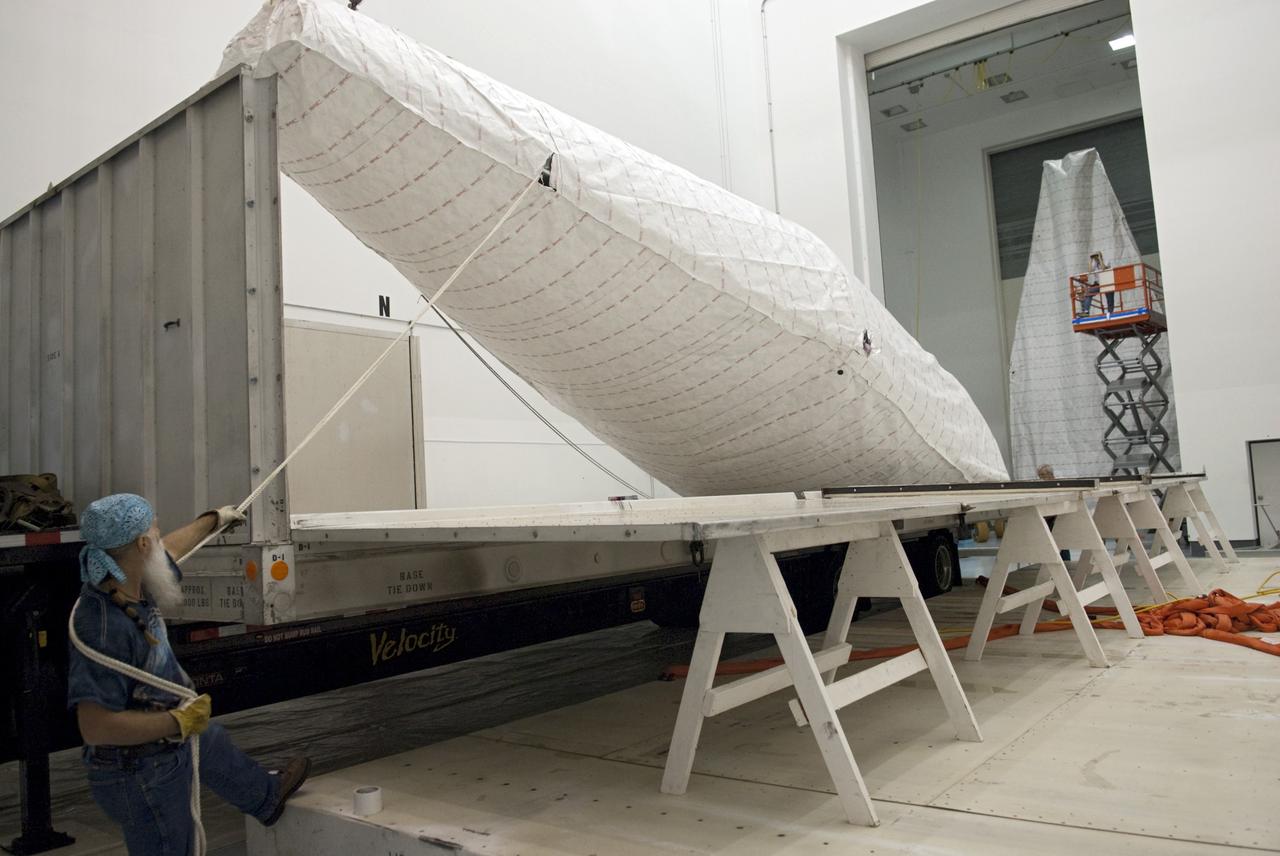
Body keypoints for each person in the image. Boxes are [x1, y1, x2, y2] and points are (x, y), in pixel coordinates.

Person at [67, 493, 310, 855]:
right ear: (142, 543)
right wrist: (176, 723)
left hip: (156, 752)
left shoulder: (128, 580)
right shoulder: (104, 627)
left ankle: (265, 796)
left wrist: (214, 519)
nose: (161, 535)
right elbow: (96, 727)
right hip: (139, 773)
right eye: (155, 528)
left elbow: (171, 550)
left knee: (210, 740)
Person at [1036, 465, 1072, 563]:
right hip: (1049, 517)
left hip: (1058, 518)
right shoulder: (1043, 488)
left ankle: (1065, 563)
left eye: (1043, 475)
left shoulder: (1058, 486)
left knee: (1060, 541)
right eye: (1039, 476)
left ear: (1051, 475)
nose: (1041, 478)